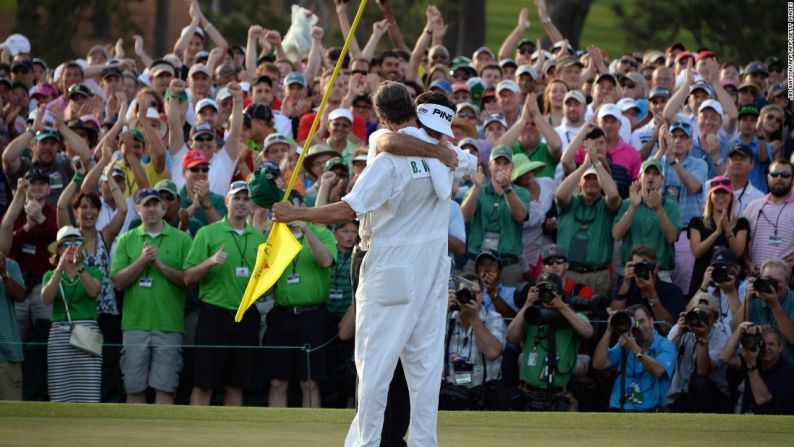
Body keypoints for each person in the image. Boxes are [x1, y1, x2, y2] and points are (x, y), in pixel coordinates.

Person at [272, 81, 459, 447]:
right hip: (433, 274)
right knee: (424, 370)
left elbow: (348, 209)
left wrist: (295, 212)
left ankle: (365, 444)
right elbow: (403, 143)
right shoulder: (448, 152)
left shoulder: (388, 161)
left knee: (374, 367)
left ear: (380, 117)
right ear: (414, 109)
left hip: (390, 268)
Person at [183, 181, 265, 406]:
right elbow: (188, 278)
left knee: (236, 384)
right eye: (236, 198)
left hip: (246, 316)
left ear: (250, 205)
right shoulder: (208, 233)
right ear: (226, 201)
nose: (241, 203)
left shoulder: (259, 239)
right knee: (203, 383)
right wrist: (209, 262)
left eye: (245, 198)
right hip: (214, 315)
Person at [111, 188, 193, 404]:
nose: (151, 209)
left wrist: (160, 266)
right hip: (135, 325)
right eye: (146, 204)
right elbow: (118, 282)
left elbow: (188, 280)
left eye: (155, 204)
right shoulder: (127, 239)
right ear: (137, 209)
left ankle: (162, 438)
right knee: (134, 389)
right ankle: (133, 438)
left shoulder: (181, 239)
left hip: (169, 325)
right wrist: (142, 260)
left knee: (165, 390)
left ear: (164, 208)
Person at [263, 192, 337, 409]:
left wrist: (305, 228)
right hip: (282, 314)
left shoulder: (320, 233)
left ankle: (311, 434)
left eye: (293, 208)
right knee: (277, 381)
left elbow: (325, 261)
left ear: (302, 207)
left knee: (310, 382)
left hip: (312, 315)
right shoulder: (274, 238)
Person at [506, 272, 594, 411]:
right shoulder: (530, 315)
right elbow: (511, 337)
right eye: (541, 290)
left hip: (561, 395)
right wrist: (527, 305)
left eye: (549, 290)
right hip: (528, 393)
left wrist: (562, 307)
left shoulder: (572, 316)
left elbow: (588, 332)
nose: (545, 295)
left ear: (559, 292)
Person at [40, 226, 103, 402]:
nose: (72, 247)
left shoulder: (94, 272)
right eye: (67, 243)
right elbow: (46, 299)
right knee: (60, 389)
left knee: (89, 389)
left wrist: (80, 268)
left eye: (77, 243)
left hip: (88, 332)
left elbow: (93, 292)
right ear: (59, 249)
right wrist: (59, 269)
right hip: (60, 334)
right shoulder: (49, 275)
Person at [555, 140, 621, 295]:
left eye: (595, 178)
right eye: (588, 178)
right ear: (580, 182)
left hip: (597, 276)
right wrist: (584, 166)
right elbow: (559, 194)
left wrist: (597, 163)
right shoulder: (571, 202)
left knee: (595, 318)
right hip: (568, 274)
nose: (591, 182)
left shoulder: (607, 205)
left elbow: (613, 194)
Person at [461, 145, 530, 286]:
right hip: (476, 262)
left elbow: (520, 216)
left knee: (508, 306)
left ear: (512, 167)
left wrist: (507, 188)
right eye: (497, 163)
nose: (501, 167)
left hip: (507, 265)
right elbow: (464, 217)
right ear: (489, 166)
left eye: (506, 163)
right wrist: (475, 188)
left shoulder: (521, 192)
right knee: (468, 303)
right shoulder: (478, 189)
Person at [592, 304, 676, 412]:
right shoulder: (625, 344)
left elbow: (658, 370)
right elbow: (598, 363)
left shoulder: (665, 345)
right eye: (635, 323)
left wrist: (635, 350)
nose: (640, 327)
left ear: (651, 321)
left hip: (651, 411)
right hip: (620, 408)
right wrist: (609, 329)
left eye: (642, 321)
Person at [440, 273, 506, 411]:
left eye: (474, 293)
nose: (469, 297)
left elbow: (493, 352)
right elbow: (424, 348)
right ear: (456, 295)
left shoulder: (493, 318)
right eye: (464, 293)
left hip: (485, 396)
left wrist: (475, 319)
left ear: (482, 295)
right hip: (450, 395)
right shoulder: (445, 318)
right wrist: (442, 311)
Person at [612, 159, 681, 280]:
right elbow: (617, 235)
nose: (651, 177)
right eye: (647, 173)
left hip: (660, 272)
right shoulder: (627, 204)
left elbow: (672, 238)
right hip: (631, 270)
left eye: (655, 174)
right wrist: (633, 207)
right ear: (639, 178)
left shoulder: (671, 205)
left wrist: (659, 208)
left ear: (662, 179)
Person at [667, 293, 732, 413]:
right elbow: (666, 359)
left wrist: (703, 338)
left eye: (705, 316)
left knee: (699, 382)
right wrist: (679, 333)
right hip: (681, 393)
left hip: (712, 396)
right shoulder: (680, 329)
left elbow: (702, 371)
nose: (700, 319)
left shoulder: (721, 338)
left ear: (715, 319)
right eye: (696, 314)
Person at [687, 176, 750, 297]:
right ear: (710, 196)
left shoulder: (742, 223)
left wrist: (727, 231)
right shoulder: (697, 222)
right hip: (703, 279)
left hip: (731, 282)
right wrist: (716, 233)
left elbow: (738, 252)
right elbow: (696, 252)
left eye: (725, 192)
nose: (721, 196)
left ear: (731, 197)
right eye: (716, 192)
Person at [720, 324, 794, 414]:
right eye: (762, 343)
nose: (766, 348)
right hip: (747, 417)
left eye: (771, 344)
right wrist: (741, 329)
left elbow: (762, 400)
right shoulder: (754, 358)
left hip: (772, 421)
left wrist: (751, 365)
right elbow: (725, 357)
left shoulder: (788, 371)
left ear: (780, 347)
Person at [734, 259, 794, 365]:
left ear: (787, 282)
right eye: (768, 280)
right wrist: (746, 301)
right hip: (759, 365)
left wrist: (774, 305)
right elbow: (735, 331)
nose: (772, 285)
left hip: (789, 367)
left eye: (777, 282)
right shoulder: (755, 299)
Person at [742, 160, 794, 275]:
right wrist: (748, 263)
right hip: (753, 277)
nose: (779, 178)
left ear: (792, 179)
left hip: (785, 281)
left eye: (785, 175)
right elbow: (742, 243)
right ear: (768, 176)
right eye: (774, 174)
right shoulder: (753, 206)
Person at [0, 250, 25, 400]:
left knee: (11, 417)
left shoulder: (10, 265)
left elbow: (20, 296)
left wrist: (4, 274)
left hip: (6, 355)